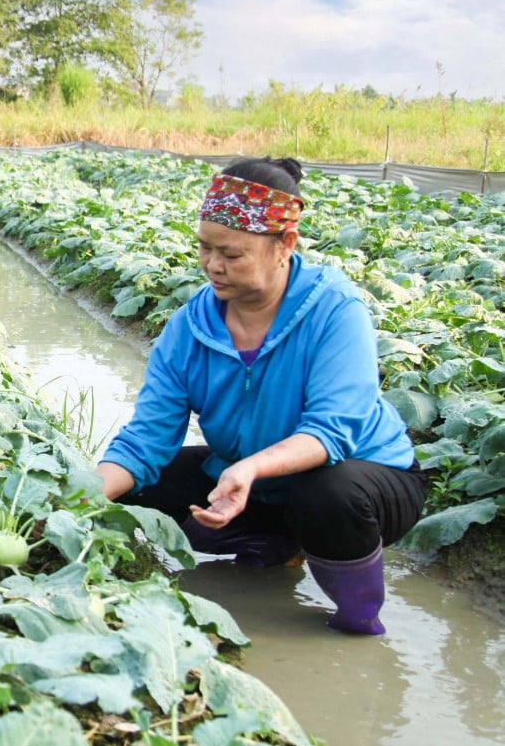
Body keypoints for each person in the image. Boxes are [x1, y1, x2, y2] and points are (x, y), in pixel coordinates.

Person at [96, 157, 426, 635]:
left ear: (284, 245)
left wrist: (249, 467)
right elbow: (147, 438)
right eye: (205, 249)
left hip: (363, 479)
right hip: (254, 477)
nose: (213, 266)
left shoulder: (335, 309)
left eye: (231, 255)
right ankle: (272, 547)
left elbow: (332, 431)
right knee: (138, 487)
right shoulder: (190, 328)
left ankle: (358, 620)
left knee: (325, 492)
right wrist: (81, 496)